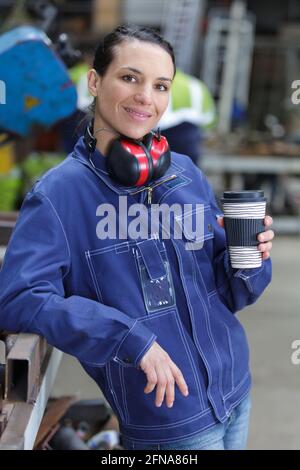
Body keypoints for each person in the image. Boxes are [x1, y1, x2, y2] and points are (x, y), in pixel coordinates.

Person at [0, 25, 274, 450]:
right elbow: (20, 299)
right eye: (130, 78)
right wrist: (126, 337)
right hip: (170, 422)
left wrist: (252, 258)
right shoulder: (59, 195)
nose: (147, 96)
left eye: (160, 85)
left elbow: (234, 294)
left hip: (235, 387)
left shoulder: (184, 173)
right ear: (95, 81)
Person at [158, 68, 216, 167]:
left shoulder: (160, 84)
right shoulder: (196, 85)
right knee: (188, 175)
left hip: (162, 139)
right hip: (191, 141)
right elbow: (210, 119)